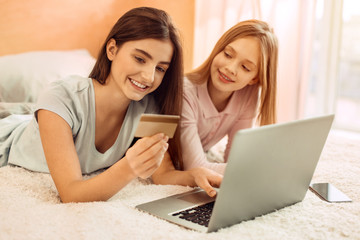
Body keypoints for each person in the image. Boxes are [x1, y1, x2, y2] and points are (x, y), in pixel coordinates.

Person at [0, 7, 222, 203]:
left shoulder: (149, 107)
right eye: (140, 59)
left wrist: (194, 175)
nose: (148, 76)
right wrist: (128, 167)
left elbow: (162, 174)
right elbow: (71, 194)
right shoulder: (61, 97)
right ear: (112, 50)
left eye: (160, 68)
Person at [181, 19, 278, 174]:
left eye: (245, 67)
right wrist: (256, 172)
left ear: (254, 79)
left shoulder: (247, 94)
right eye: (227, 54)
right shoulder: (185, 92)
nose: (230, 68)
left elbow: (234, 158)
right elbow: (196, 167)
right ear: (218, 50)